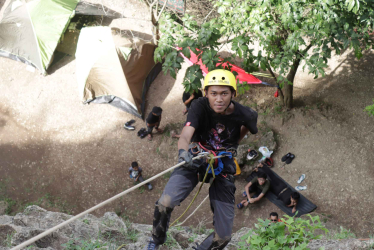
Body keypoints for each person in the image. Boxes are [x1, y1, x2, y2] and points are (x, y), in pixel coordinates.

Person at [145, 69, 258, 250]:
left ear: (233, 94)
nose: (218, 99)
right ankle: (156, 240)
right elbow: (185, 136)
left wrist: (231, 146)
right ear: (206, 93)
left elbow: (245, 129)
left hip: (223, 162)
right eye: (213, 93)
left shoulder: (246, 114)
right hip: (197, 155)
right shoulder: (199, 106)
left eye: (224, 93)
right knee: (165, 202)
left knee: (223, 236)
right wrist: (184, 153)